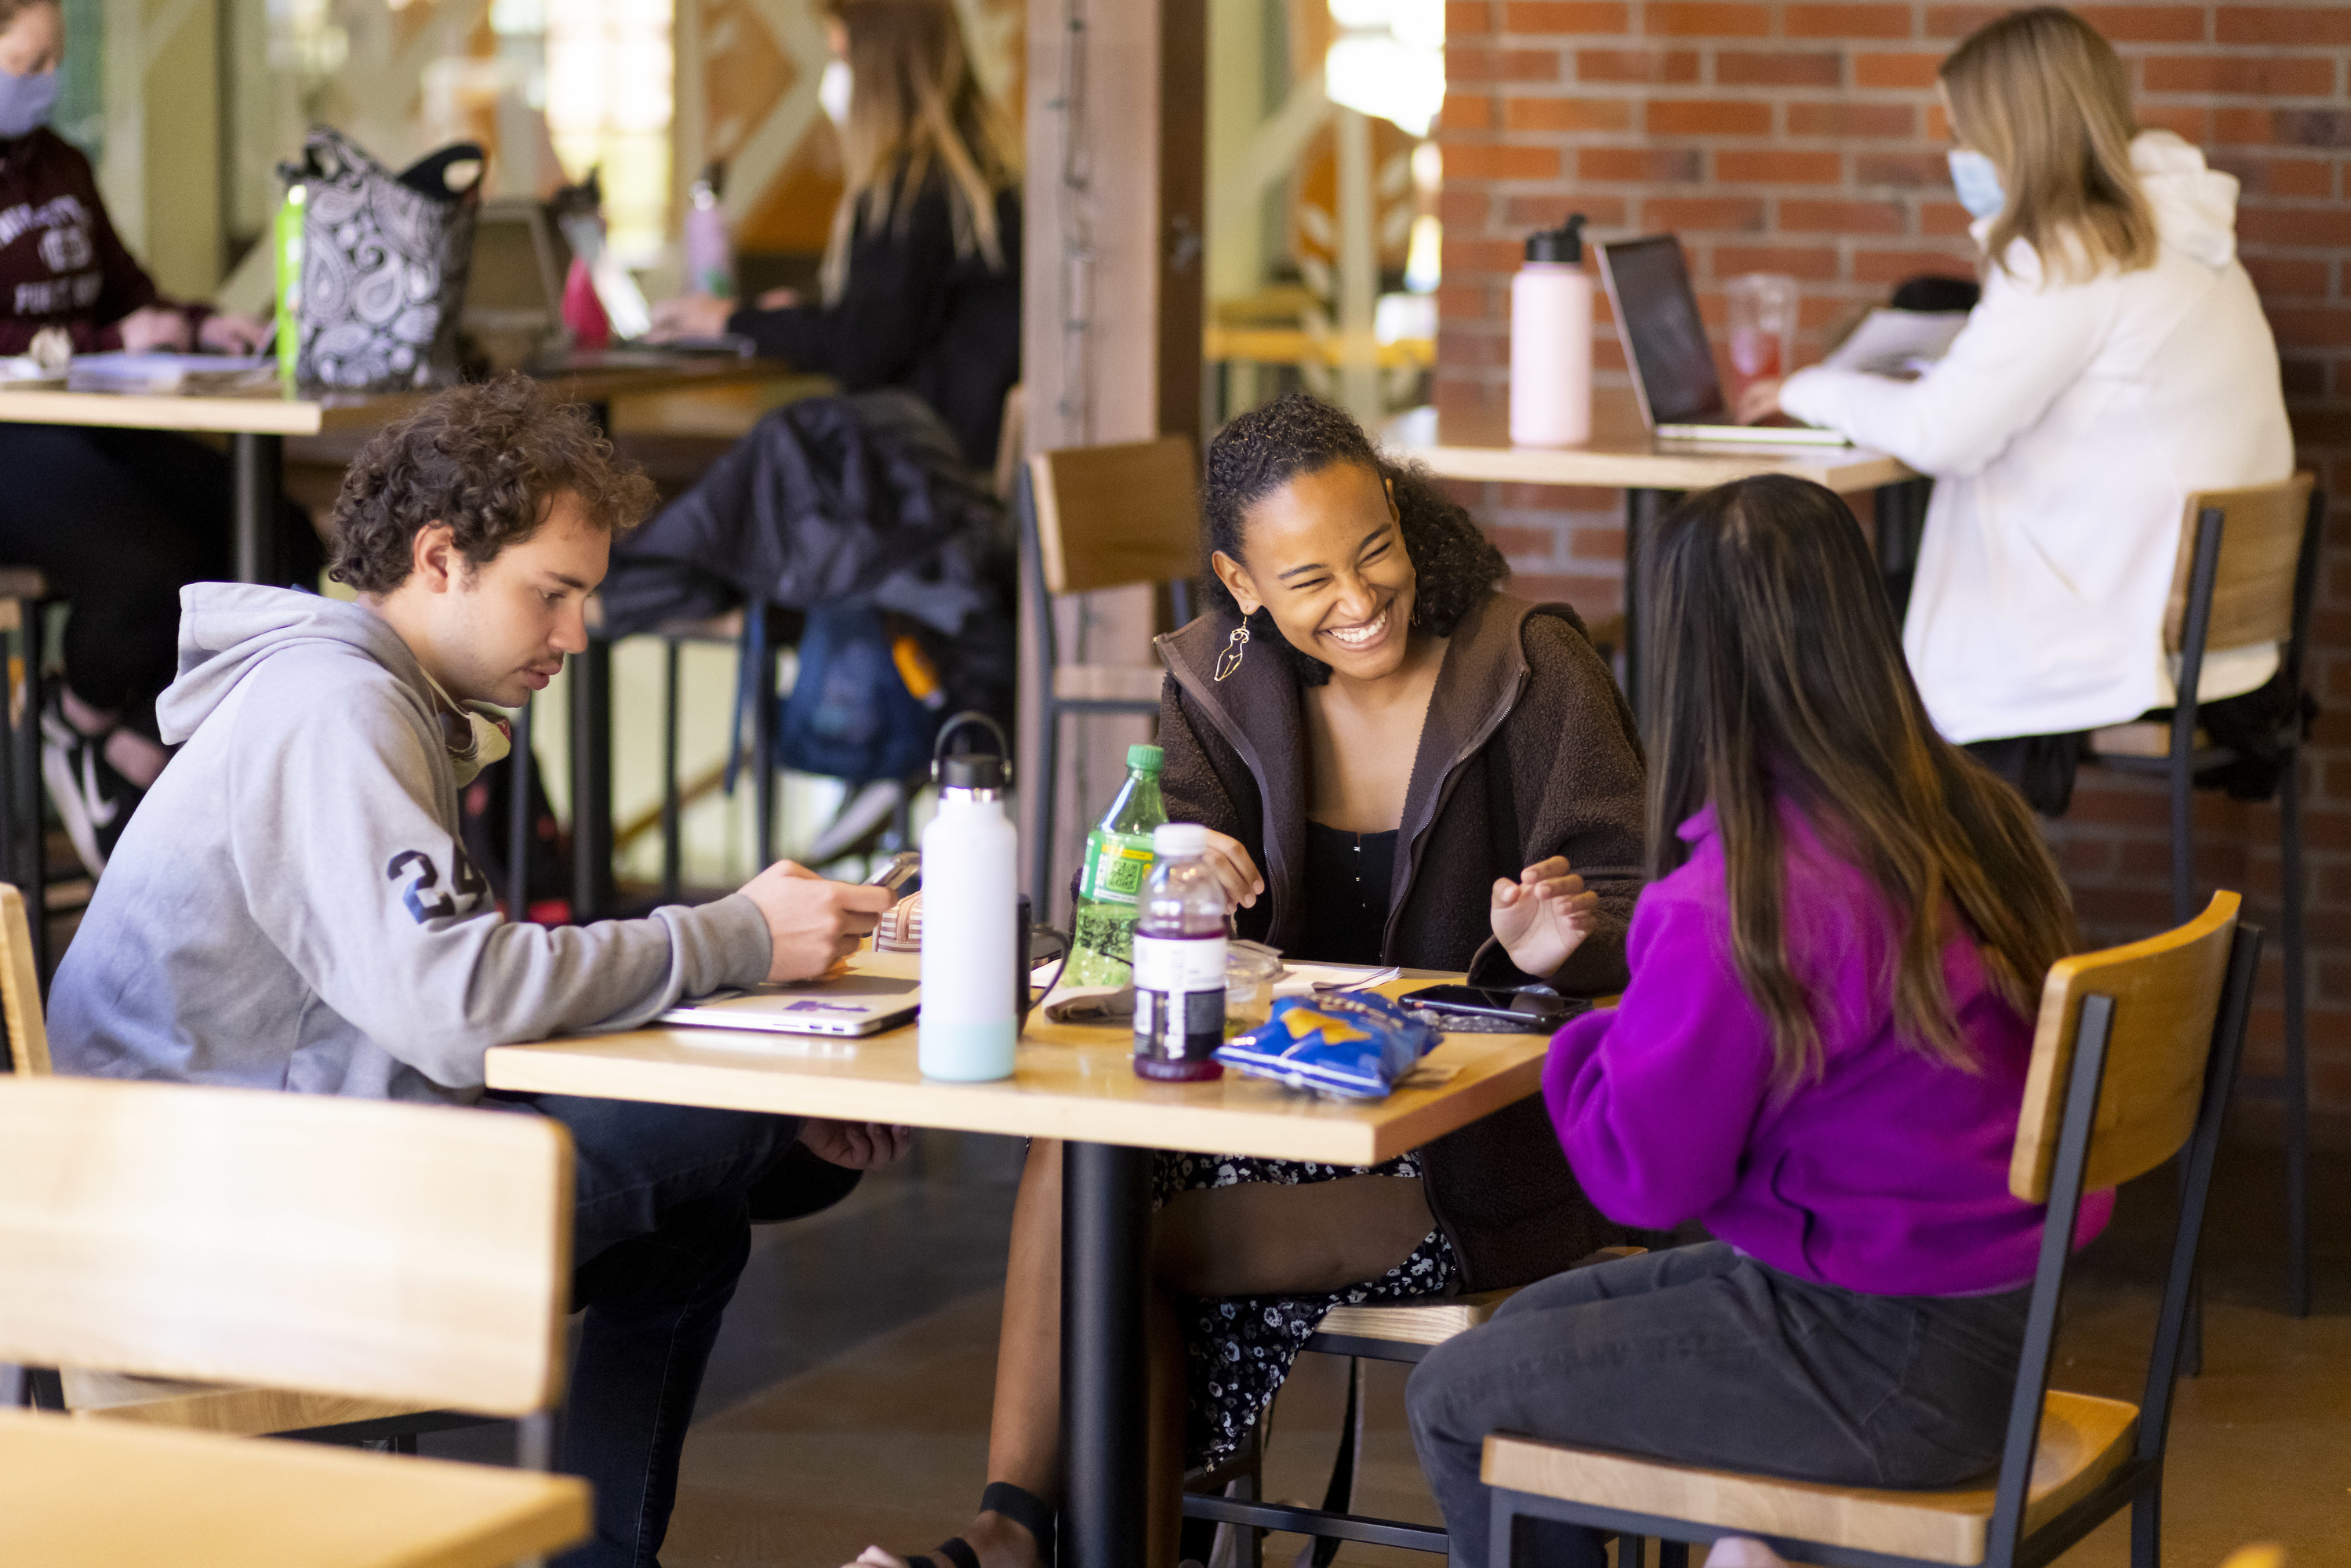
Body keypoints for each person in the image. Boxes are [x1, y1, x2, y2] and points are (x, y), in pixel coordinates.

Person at [45, 374, 910, 1568]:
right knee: (735, 1137)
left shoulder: (356, 694)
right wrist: (734, 940)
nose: (576, 635)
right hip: (221, 1240)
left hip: (227, 1183)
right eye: (551, 596)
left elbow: (440, 995)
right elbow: (456, 1012)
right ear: (441, 557)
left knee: (698, 1211)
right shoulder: (338, 710)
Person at [844, 393, 1647, 1568]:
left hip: (1474, 1153)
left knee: (1120, 1247)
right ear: (1240, 582)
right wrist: (1177, 871)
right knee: (1080, 1155)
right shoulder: (1219, 683)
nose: (1360, 601)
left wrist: (1549, 947)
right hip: (1279, 1113)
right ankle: (1009, 1527)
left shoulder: (1527, 668)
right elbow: (1124, 919)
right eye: (1309, 578)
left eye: (1374, 551)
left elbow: (1645, 906)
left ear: (1401, 517)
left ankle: (1019, 1538)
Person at [1404, 474, 2099, 1568]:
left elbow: (1644, 1183)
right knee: (1528, 1331)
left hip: (1881, 1360)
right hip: (1993, 1319)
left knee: (1458, 1392)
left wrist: (1575, 1028)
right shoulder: (1961, 813)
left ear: (1688, 668)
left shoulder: (1744, 902)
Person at [1739, 5, 2295, 816]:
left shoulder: (2071, 254)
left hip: (2113, 639)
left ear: (2015, 132)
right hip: (2219, 643)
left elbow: (1940, 433)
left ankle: (1847, 920)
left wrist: (1804, 388)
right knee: (1866, 607)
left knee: (1782, 632)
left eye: (1964, 131)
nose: (1954, 153)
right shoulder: (2186, 239)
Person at [0, 0, 318, 874]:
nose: (44, 83)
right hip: (11, 438)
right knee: (149, 570)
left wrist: (190, 323)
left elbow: (124, 290)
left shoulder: (60, 161)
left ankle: (142, 741)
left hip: (94, 416)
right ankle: (81, 717)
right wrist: (110, 345)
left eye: (53, 61)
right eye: (26, 65)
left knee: (285, 543)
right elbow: (99, 334)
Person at [649, 0, 1019, 471]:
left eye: (840, 59)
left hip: (923, 479)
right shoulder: (984, 176)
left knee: (756, 464)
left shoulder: (913, 193)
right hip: (948, 460)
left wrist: (730, 320)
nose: (834, 79)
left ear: (877, 69)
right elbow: (895, 322)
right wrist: (796, 320)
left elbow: (863, 349)